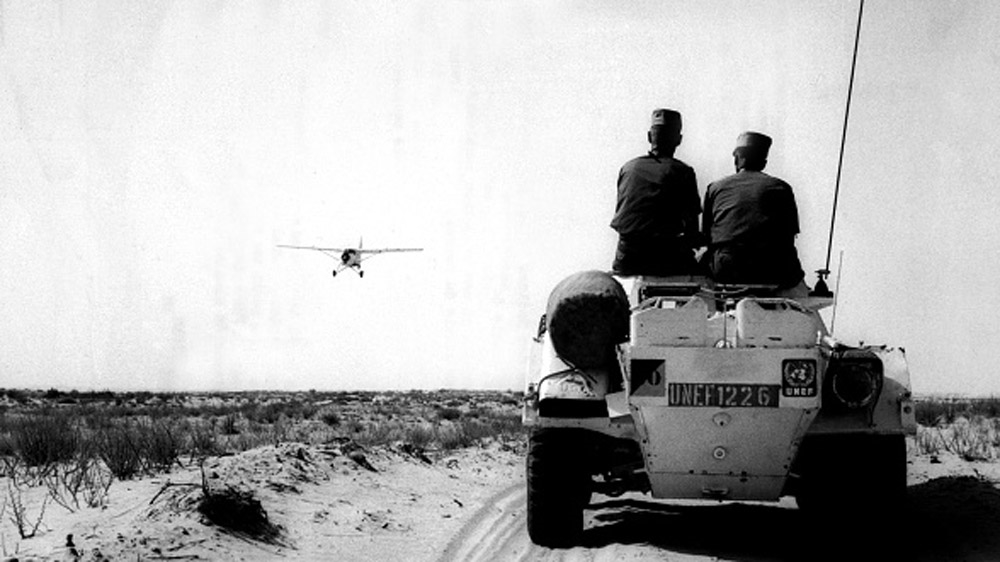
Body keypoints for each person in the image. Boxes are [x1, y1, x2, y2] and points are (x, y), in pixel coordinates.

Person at [701, 131, 805, 289]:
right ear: (764, 162)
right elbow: (788, 237)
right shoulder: (781, 188)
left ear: (736, 158)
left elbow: (707, 238)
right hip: (771, 269)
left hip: (727, 268)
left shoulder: (715, 188)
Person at [610, 108, 702, 276]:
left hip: (627, 256)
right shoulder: (683, 172)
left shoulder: (628, 168)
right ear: (679, 140)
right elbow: (692, 231)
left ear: (649, 136)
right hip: (665, 255)